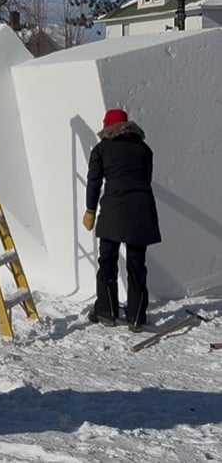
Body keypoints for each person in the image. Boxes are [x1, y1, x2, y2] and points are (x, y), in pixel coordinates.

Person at [82, 108, 161, 333]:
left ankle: (106, 312)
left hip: (113, 212)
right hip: (141, 212)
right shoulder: (145, 150)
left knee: (108, 261)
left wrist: (90, 209)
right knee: (137, 264)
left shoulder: (102, 149)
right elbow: (146, 178)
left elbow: (94, 181)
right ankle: (136, 317)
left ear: (107, 127)